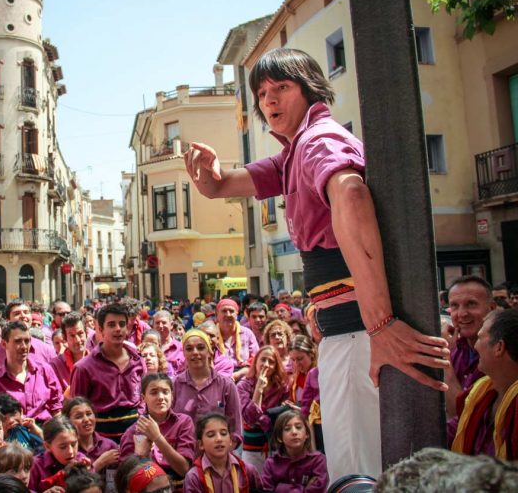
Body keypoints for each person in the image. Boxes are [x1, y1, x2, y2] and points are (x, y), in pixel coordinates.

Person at [184, 47, 450, 480]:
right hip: (350, 334)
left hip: (357, 335)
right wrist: (208, 179)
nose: (269, 100)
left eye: (281, 88)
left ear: (309, 90)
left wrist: (380, 325)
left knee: (359, 474)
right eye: (262, 93)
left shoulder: (317, 141)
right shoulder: (295, 153)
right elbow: (224, 186)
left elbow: (351, 194)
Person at [70, 302, 146, 442]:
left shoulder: (138, 361)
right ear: (101, 329)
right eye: (111, 325)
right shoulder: (84, 368)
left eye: (122, 324)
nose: (118, 329)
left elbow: (144, 400)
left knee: (148, 466)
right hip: (101, 443)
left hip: (137, 440)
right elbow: (77, 411)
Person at [451, 308, 518, 459]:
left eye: (480, 338)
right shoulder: (479, 394)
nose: (475, 346)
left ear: (499, 347)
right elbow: (451, 430)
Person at [119, 374, 196, 492]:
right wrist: (140, 455)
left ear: (172, 396)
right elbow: (126, 481)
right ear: (143, 398)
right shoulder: (133, 432)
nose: (161, 397)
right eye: (154, 392)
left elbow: (183, 469)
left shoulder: (183, 423)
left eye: (165, 392)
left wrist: (157, 437)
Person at [0, 321, 63, 422]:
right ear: (4, 344)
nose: (24, 346)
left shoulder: (45, 371)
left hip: (45, 432)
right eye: (18, 341)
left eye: (27, 341)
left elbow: (56, 409)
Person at [173, 329, 242, 447]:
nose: (195, 352)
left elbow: (235, 429)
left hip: (218, 457)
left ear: (210, 351)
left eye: (200, 348)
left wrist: (222, 455)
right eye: (189, 349)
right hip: (182, 457)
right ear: (183, 353)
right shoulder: (174, 385)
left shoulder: (226, 385)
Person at [444, 276, 495, 431]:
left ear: (492, 309)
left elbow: (464, 417)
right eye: (454, 306)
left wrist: (442, 358)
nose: (462, 314)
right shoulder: (454, 348)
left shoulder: (503, 353)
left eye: (471, 304)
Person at [237, 346, 289, 472]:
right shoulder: (243, 386)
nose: (266, 364)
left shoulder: (282, 387)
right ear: (256, 362)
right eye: (263, 360)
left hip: (277, 444)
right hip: (252, 447)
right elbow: (250, 418)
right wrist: (259, 388)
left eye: (271, 362)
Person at [183, 413, 262, 493]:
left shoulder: (248, 471)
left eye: (223, 433)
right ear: (201, 444)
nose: (219, 439)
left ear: (230, 440)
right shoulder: (194, 477)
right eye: (211, 435)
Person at [261, 410, 328, 492]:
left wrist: (279, 488)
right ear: (279, 437)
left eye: (298, 427)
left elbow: (318, 490)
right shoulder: (270, 464)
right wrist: (303, 489)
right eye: (287, 429)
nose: (294, 432)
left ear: (306, 434)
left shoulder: (318, 460)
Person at [0, 301, 55, 373]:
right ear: (8, 320)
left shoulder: (46, 350)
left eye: (26, 312)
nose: (23, 316)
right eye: (17, 313)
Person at [63, 397, 120, 480]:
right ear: (68, 422)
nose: (86, 419)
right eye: (79, 417)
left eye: (89, 414)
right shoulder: (68, 451)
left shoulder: (109, 446)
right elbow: (73, 484)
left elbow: (116, 481)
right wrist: (99, 464)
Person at [28, 416, 89, 493]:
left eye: (73, 444)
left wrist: (89, 473)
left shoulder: (81, 460)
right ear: (47, 446)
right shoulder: (35, 465)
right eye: (63, 447)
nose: (70, 452)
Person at [288, 335, 322, 452]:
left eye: (300, 358)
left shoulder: (319, 374)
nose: (296, 363)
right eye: (293, 360)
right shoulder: (295, 379)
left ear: (311, 354)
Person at [214, 299, 258, 382]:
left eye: (231, 311)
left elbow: (256, 360)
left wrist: (238, 375)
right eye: (224, 311)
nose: (228, 314)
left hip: (244, 378)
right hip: (218, 380)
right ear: (217, 315)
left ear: (237, 314)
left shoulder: (247, 334)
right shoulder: (212, 335)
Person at [50, 313, 89, 392]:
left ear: (86, 334)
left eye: (80, 333)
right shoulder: (55, 366)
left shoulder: (97, 362)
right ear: (65, 338)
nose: (77, 340)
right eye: (72, 336)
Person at [152, 311, 185, 375]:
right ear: (153, 325)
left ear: (171, 325)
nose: (160, 326)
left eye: (164, 323)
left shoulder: (181, 348)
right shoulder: (148, 348)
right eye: (157, 323)